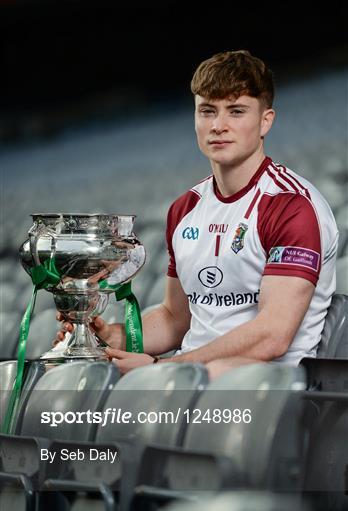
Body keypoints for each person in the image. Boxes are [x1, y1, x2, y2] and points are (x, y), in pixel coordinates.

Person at [56, 50, 338, 379]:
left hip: (268, 387)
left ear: (265, 121)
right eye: (207, 111)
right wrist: (109, 336)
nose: (218, 126)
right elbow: (176, 319)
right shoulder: (184, 209)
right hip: (190, 376)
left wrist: (164, 369)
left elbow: (272, 336)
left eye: (236, 111)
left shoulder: (291, 206)